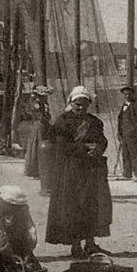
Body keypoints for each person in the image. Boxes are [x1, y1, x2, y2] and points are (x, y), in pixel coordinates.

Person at [45, 85, 112, 258]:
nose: (81, 107)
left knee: (91, 205)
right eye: (77, 104)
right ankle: (75, 244)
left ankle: (90, 243)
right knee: (73, 206)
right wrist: (83, 148)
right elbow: (61, 146)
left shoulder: (95, 122)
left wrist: (98, 148)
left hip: (91, 170)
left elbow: (102, 140)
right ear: (70, 103)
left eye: (84, 104)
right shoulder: (62, 121)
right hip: (71, 170)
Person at [0, 185, 47, 272]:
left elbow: (31, 229)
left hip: (17, 245)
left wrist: (28, 250)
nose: (13, 208)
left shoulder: (21, 208)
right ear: (0, 200)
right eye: (10, 205)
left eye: (16, 206)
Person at [117, 85, 137, 181]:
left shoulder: (136, 104)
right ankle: (127, 174)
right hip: (124, 134)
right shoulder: (124, 105)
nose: (127, 96)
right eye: (125, 94)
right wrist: (119, 132)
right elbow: (120, 120)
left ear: (132, 94)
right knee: (125, 153)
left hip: (132, 135)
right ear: (123, 95)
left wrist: (133, 130)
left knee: (134, 154)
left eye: (129, 94)